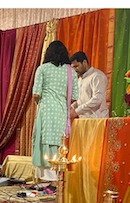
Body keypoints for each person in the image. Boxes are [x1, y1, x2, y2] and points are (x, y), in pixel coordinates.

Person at [32, 40, 78, 182]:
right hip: (61, 111)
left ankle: (45, 180)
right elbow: (75, 96)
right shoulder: (71, 71)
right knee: (59, 142)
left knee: (43, 140)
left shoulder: (43, 69)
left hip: (45, 110)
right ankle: (58, 180)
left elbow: (36, 94)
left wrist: (40, 102)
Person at [69, 51, 109, 119]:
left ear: (84, 62)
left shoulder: (97, 76)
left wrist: (77, 111)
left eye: (76, 66)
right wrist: (72, 108)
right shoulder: (80, 80)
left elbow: (97, 98)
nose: (74, 70)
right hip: (84, 120)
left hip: (97, 120)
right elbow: (81, 100)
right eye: (73, 67)